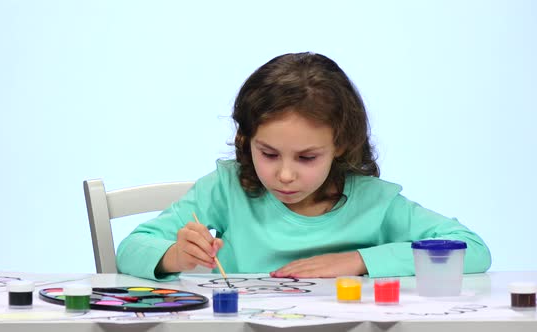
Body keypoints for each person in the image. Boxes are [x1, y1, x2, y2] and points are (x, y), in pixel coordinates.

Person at [116, 52, 491, 281]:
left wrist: (358, 260)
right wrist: (175, 256)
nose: (285, 175)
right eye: (269, 153)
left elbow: (473, 250)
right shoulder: (226, 189)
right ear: (246, 142)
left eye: (307, 157)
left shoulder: (375, 203)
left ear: (341, 144)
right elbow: (132, 248)